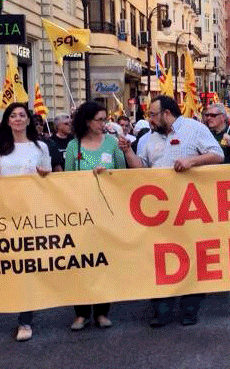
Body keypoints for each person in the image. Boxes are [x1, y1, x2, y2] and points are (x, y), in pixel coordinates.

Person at [123, 95, 224, 327]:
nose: (149, 119)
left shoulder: (194, 128)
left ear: (167, 114)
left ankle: (189, 310)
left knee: (192, 257)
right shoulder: (146, 138)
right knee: (159, 258)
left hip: (191, 208)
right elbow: (141, 168)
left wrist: (192, 161)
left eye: (153, 114)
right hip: (159, 211)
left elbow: (217, 154)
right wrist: (129, 152)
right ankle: (162, 311)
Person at [0, 103, 52, 341]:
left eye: (22, 115)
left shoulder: (40, 146)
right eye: (13, 116)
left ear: (28, 120)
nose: (17, 119)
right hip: (7, 214)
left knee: (28, 266)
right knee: (11, 265)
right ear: (7, 121)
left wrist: (45, 175)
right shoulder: (0, 149)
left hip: (32, 213)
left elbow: (49, 178)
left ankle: (25, 320)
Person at [65, 101, 129, 330]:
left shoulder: (112, 144)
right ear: (87, 121)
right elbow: (67, 178)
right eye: (99, 120)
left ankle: (102, 312)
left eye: (105, 119)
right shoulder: (75, 146)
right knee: (80, 264)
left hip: (106, 212)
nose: (104, 124)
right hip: (81, 214)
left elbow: (122, 175)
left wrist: (108, 174)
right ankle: (81, 313)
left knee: (103, 262)